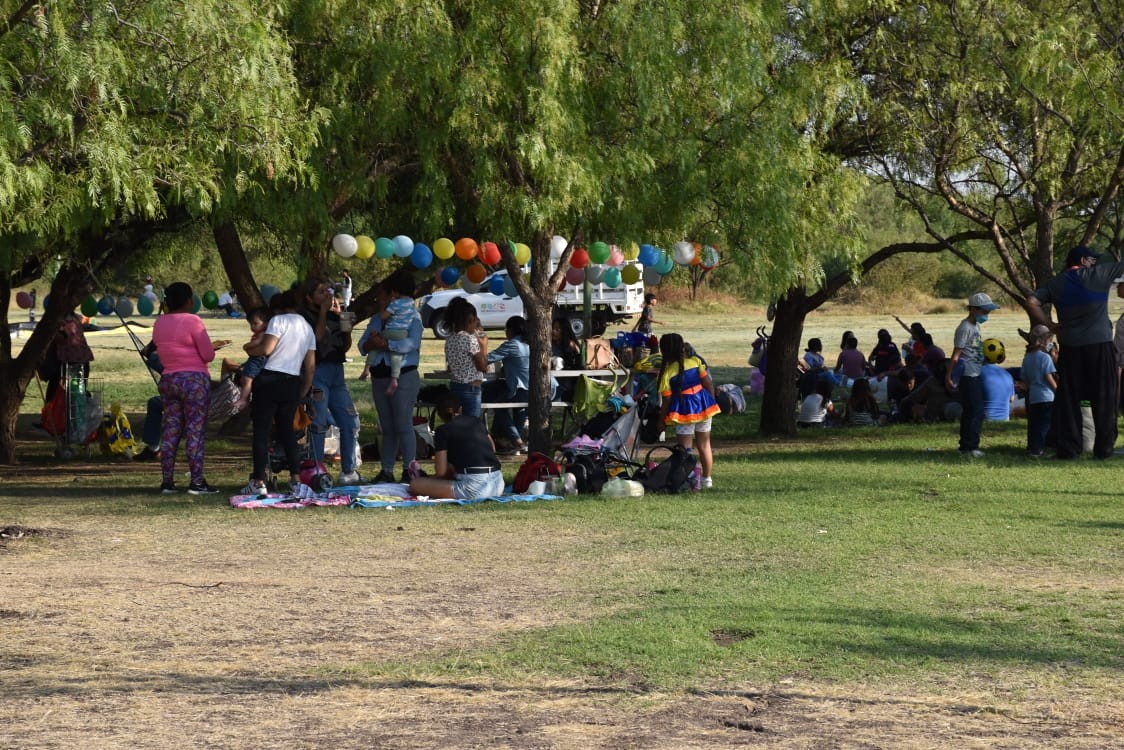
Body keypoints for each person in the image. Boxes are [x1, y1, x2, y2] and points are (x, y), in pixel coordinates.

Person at [1027, 246, 1124, 459]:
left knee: (1069, 399)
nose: (1094, 263)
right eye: (1092, 259)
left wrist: (1050, 325)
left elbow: (1032, 302)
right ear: (1082, 260)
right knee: (1105, 397)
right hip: (1100, 345)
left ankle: (1070, 449)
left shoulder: (1055, 283)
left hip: (1071, 347)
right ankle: (1104, 449)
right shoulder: (1098, 274)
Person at [242, 290, 317, 497]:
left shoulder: (278, 321)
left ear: (277, 307)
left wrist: (248, 350)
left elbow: (266, 349)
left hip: (270, 380)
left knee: (261, 432)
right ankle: (295, 480)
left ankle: (258, 480)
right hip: (292, 382)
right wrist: (302, 389)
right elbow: (310, 367)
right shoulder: (307, 327)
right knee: (288, 433)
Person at [151, 281, 220, 494]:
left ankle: (167, 482)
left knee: (171, 430)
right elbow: (208, 354)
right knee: (194, 430)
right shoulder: (193, 321)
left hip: (169, 379)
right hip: (194, 381)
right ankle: (197, 482)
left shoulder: (160, 323)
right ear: (189, 301)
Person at [358, 279, 424, 484]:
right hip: (379, 376)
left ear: (393, 296)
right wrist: (372, 342)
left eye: (383, 296)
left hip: (403, 375)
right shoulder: (377, 320)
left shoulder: (413, 316)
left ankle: (409, 468)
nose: (380, 301)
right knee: (386, 426)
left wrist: (386, 344)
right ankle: (386, 470)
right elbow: (362, 346)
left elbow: (411, 344)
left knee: (403, 423)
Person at [299, 276, 361, 484]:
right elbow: (316, 340)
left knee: (350, 421)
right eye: (321, 292)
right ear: (309, 297)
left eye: (329, 292)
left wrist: (346, 325)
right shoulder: (306, 317)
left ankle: (349, 471)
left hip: (336, 372)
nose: (327, 296)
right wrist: (324, 312)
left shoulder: (334, 315)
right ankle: (316, 470)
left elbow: (343, 346)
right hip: (318, 372)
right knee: (318, 423)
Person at [408, 394, 504, 500]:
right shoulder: (476, 421)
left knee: (415, 484)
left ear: (439, 414)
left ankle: (425, 479)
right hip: (498, 483)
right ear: (460, 409)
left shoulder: (442, 431)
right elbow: (492, 448)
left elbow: (441, 472)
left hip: (475, 488)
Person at [658, 332, 720, 489]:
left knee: (685, 450)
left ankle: (692, 478)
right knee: (705, 445)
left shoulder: (667, 373)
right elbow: (708, 383)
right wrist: (710, 402)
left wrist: (661, 421)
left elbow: (666, 401)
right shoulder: (695, 361)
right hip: (704, 406)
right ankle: (707, 479)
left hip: (684, 412)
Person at [946, 292, 999, 457]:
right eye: (984, 311)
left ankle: (965, 446)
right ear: (973, 309)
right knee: (976, 410)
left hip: (976, 372)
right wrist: (948, 376)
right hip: (968, 375)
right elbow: (956, 354)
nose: (986, 315)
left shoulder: (976, 326)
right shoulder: (965, 328)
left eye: (988, 312)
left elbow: (974, 351)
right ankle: (971, 447)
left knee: (971, 410)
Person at [444, 297, 488, 418]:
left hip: (455, 386)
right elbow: (483, 367)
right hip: (471, 388)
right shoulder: (469, 339)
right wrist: (483, 347)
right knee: (471, 426)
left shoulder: (450, 339)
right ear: (471, 320)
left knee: (458, 424)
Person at [373, 276, 417, 395]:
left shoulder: (395, 304)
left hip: (391, 332)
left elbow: (383, 316)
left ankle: (366, 368)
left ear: (394, 291)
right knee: (396, 357)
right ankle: (394, 378)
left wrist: (382, 307)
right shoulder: (412, 303)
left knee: (375, 345)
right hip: (403, 333)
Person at [39, 310, 95, 404]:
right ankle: (74, 414)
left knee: (57, 392)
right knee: (77, 392)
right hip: (80, 359)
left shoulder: (60, 319)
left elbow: (62, 339)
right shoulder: (76, 317)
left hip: (68, 360)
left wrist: (49, 332)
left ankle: (55, 414)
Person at [1021, 325, 1058, 457]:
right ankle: (1038, 450)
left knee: (1034, 424)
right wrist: (1057, 390)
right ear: (1043, 340)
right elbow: (1048, 376)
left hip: (1033, 396)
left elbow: (1026, 380)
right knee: (1044, 425)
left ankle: (1031, 448)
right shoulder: (1045, 358)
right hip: (1046, 396)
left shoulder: (1028, 358)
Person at [228, 308, 270, 414]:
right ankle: (245, 398)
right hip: (254, 358)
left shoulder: (263, 333)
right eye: (251, 324)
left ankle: (243, 400)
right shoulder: (262, 332)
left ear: (265, 323)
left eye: (255, 323)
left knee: (247, 379)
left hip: (257, 359)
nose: (252, 327)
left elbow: (257, 342)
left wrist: (246, 346)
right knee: (244, 378)